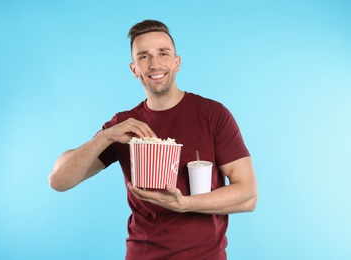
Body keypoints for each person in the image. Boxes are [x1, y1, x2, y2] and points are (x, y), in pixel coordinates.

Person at [49, 19, 258, 260]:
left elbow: (247, 191)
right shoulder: (124, 125)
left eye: (163, 53)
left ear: (177, 62)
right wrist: (105, 137)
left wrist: (185, 204)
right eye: (144, 56)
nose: (155, 63)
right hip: (142, 254)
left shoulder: (212, 114)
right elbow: (59, 181)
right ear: (133, 69)